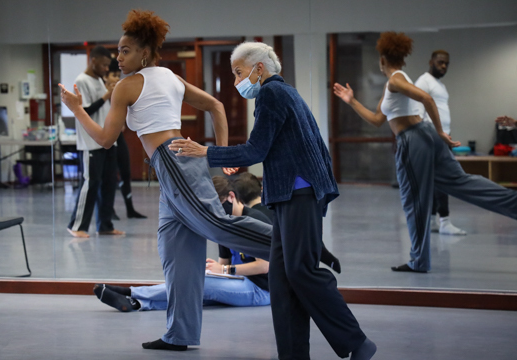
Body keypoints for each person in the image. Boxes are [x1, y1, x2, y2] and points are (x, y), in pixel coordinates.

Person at [59, 10, 272, 352]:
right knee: (177, 253)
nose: (118, 56)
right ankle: (180, 335)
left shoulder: (128, 85)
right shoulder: (171, 77)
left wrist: (77, 108)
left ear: (144, 52)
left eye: (125, 50)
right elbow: (216, 106)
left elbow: (104, 139)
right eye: (117, 50)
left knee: (215, 225)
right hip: (172, 166)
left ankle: (294, 242)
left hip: (174, 164)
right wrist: (217, 154)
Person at [171, 42, 376, 360]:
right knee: (282, 281)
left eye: (239, 72)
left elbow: (256, 151)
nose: (238, 80)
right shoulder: (286, 94)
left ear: (259, 68)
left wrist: (206, 151)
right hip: (289, 196)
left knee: (300, 272)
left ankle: (357, 342)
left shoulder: (272, 93)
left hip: (298, 192)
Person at [333, 32, 517, 274]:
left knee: (414, 202)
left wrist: (441, 131)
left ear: (383, 59)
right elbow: (378, 119)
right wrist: (352, 101)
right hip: (424, 134)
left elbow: (427, 98)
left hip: (414, 139)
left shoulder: (395, 81)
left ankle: (419, 261)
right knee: (461, 182)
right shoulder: (395, 82)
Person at [93, 176, 270, 312]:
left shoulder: (252, 220)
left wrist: (224, 271)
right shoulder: (225, 224)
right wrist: (213, 268)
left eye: (218, 206)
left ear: (231, 197)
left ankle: (131, 292)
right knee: (192, 292)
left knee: (200, 284)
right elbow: (224, 262)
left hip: (261, 290)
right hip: (238, 283)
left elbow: (265, 266)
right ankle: (137, 303)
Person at [66, 46, 124, 238]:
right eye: (104, 64)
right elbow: (84, 111)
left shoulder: (99, 80)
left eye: (109, 65)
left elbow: (105, 108)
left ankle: (105, 225)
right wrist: (106, 95)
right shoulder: (81, 81)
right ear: (94, 61)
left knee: (108, 184)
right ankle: (77, 226)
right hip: (91, 142)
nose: (107, 69)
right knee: (91, 184)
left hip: (107, 140)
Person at [234, 172, 342, 273]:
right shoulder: (277, 208)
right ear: (262, 189)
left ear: (240, 200)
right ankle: (319, 248)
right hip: (301, 241)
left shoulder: (250, 218)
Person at [415, 50, 466, 235]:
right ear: (431, 62)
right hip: (431, 138)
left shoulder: (439, 85)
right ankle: (443, 221)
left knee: (436, 181)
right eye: (440, 62)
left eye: (446, 63)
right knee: (442, 179)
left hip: (443, 138)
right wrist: (429, 136)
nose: (443, 66)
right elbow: (417, 111)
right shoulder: (424, 82)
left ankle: (432, 221)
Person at [104, 57, 146, 220]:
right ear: (105, 77)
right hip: (107, 138)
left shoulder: (119, 90)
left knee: (125, 171)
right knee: (110, 176)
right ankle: (109, 209)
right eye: (113, 75)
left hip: (119, 136)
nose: (116, 78)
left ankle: (130, 209)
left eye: (117, 74)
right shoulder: (103, 94)